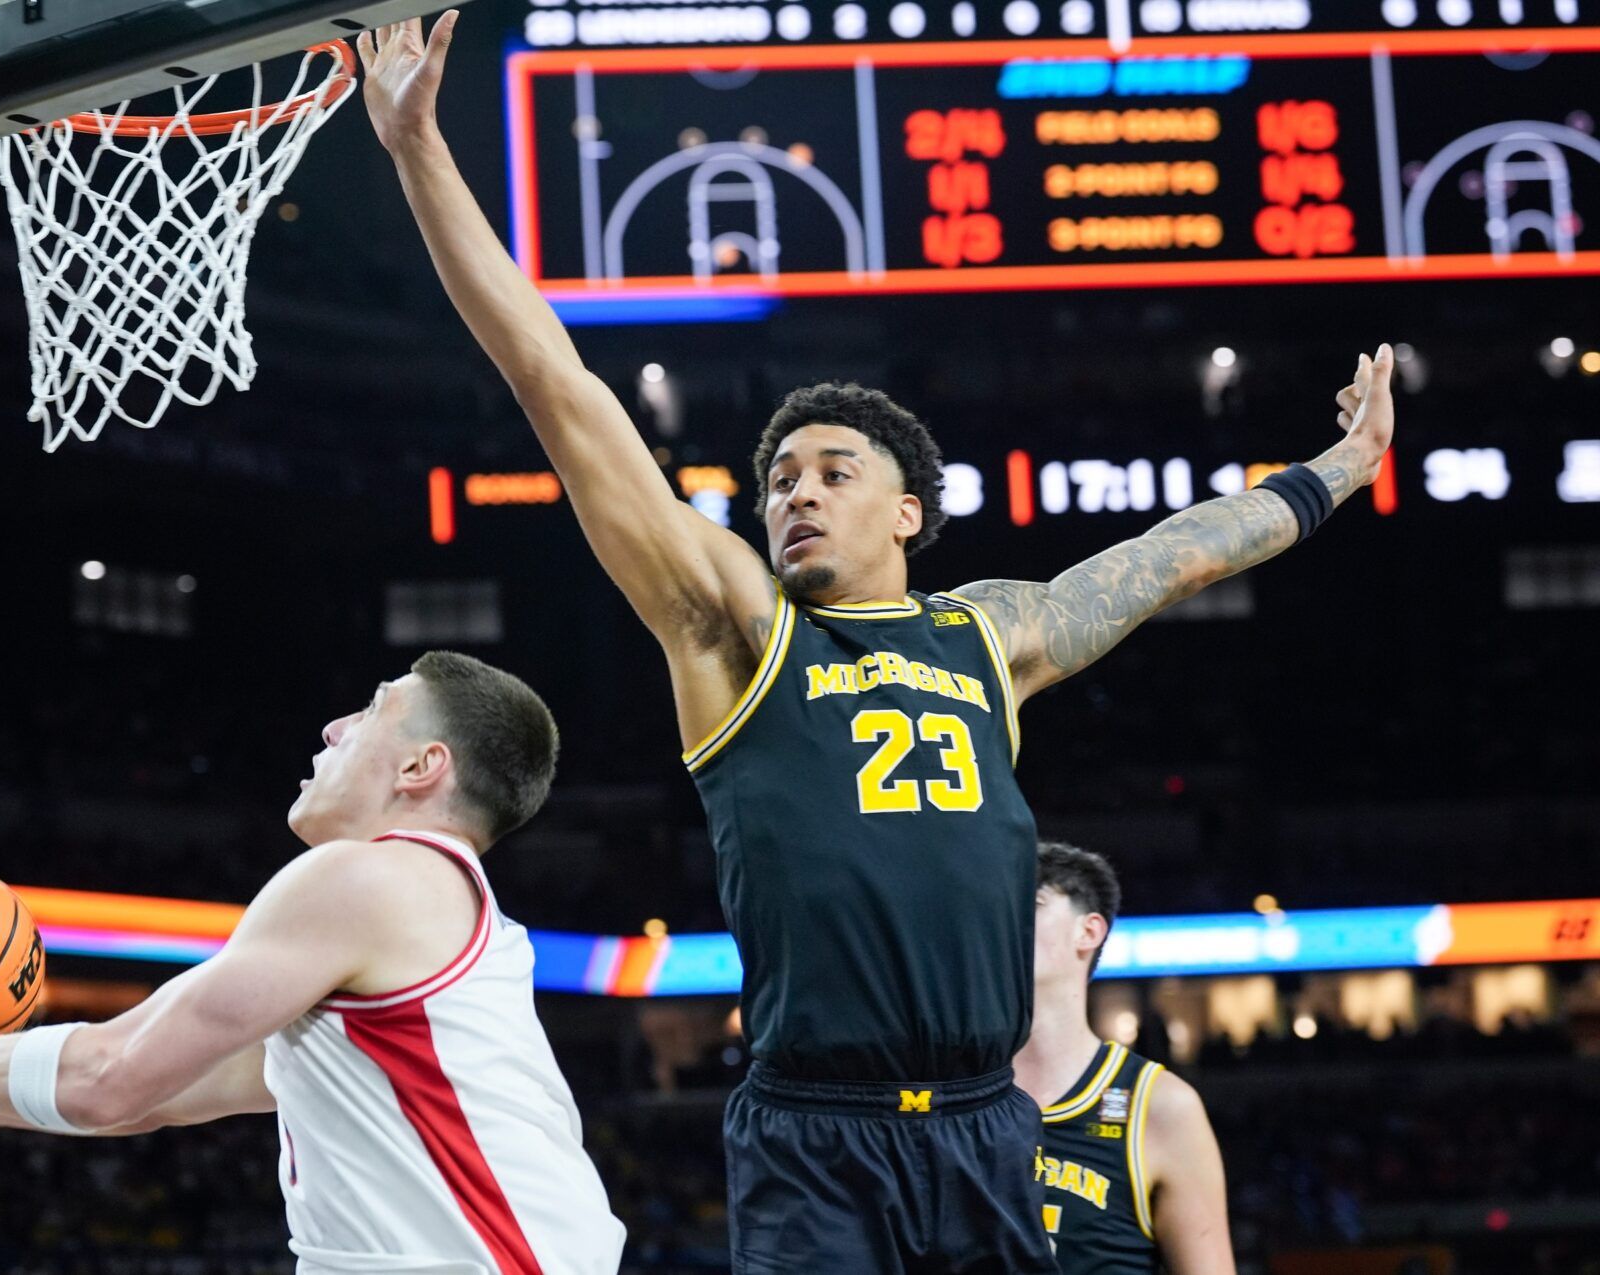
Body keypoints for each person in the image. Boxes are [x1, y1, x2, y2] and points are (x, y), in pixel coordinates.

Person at [358, 16, 1396, 1270]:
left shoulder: (993, 634)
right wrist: (417, 150)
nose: (793, 492)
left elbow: (1177, 554)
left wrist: (1340, 468)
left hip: (985, 1121)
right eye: (778, 476)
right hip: (817, 1132)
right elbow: (555, 380)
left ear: (906, 511)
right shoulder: (736, 630)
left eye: (831, 471)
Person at [0, 651, 626, 1275]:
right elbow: (148, 1098)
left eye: (373, 708)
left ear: (422, 768)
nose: (333, 730)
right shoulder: (412, 950)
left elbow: (111, 1076)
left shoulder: (369, 876)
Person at [1014, 842, 1232, 1274]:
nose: (1005, 920)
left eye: (1031, 904)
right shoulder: (951, 1092)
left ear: (1088, 931)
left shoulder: (1161, 1105)